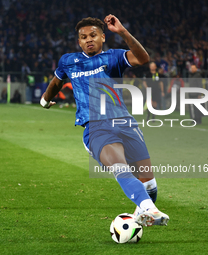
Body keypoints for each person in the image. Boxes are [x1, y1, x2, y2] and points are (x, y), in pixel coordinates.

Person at [40, 16, 169, 227]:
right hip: (96, 126)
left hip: (125, 123)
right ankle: (148, 209)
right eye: (83, 37)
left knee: (150, 185)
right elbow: (56, 82)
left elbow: (143, 59)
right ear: (79, 41)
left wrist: (124, 33)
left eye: (92, 35)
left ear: (102, 36)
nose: (88, 40)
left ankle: (139, 216)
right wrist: (45, 100)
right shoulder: (68, 61)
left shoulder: (114, 57)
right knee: (121, 168)